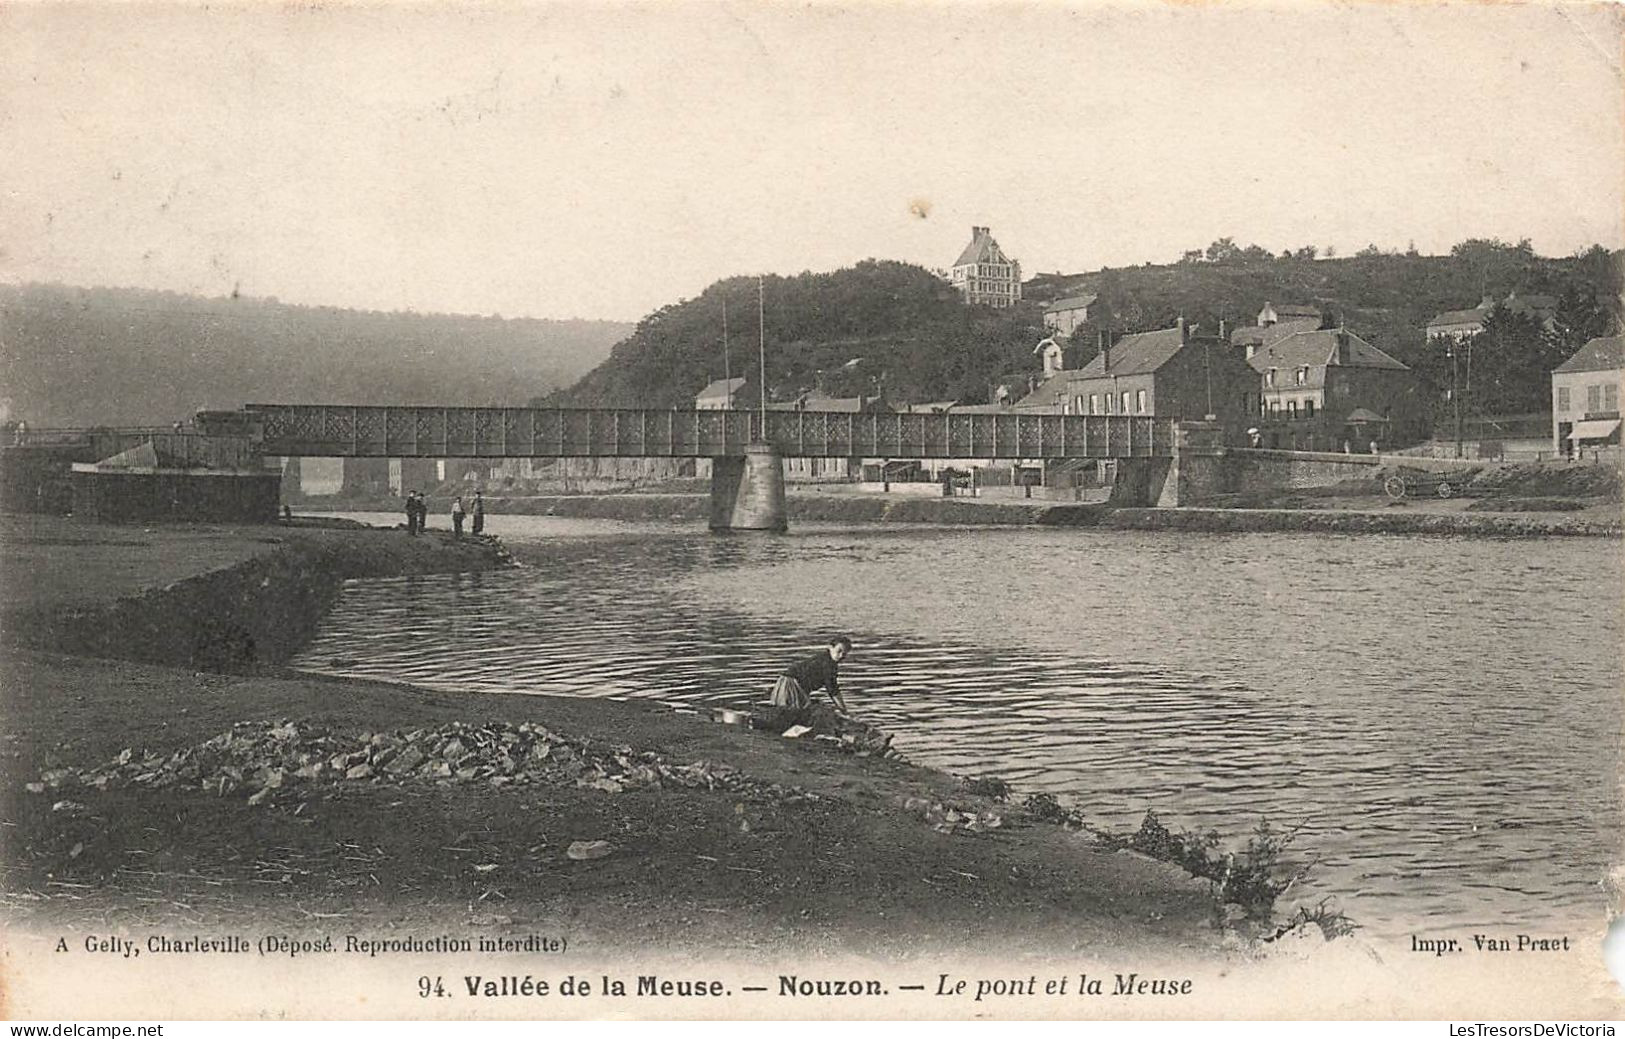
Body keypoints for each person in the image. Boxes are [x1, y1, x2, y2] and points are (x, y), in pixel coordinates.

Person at [771, 636, 852, 716]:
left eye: (844, 653)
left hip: (791, 683)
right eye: (839, 651)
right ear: (830, 647)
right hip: (791, 684)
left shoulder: (825, 659)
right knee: (796, 714)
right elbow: (832, 689)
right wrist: (843, 710)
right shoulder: (827, 663)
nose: (841, 655)